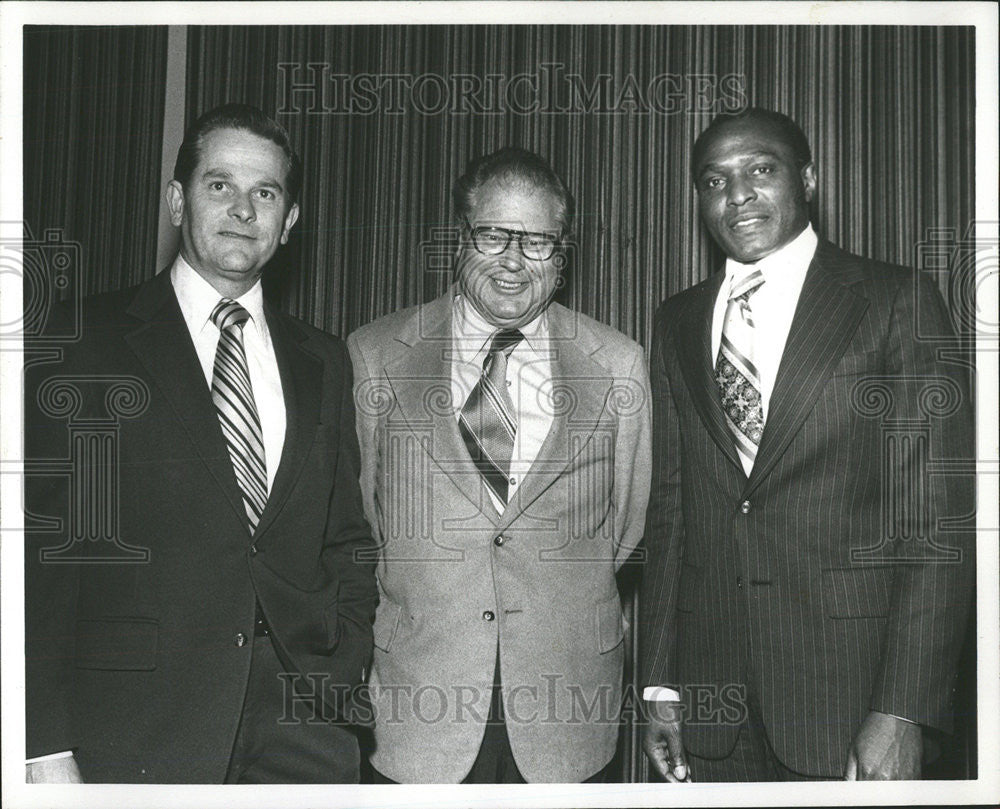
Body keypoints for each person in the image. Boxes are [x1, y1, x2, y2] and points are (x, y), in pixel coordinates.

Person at [24, 103, 376, 783]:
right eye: (220, 184)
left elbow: (346, 540)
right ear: (177, 200)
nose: (243, 208)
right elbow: (39, 559)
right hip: (132, 733)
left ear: (290, 219)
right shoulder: (79, 342)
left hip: (303, 734)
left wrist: (340, 662)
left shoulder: (324, 358)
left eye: (265, 192)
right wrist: (42, 744)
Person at [640, 107, 974, 782]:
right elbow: (672, 512)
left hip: (850, 699)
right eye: (714, 180)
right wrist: (660, 684)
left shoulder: (893, 300)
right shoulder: (675, 321)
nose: (738, 194)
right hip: (714, 706)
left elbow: (936, 525)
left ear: (809, 180)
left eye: (761, 169)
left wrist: (903, 711)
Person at [348, 146, 651, 783]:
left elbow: (624, 530)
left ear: (563, 255)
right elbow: (362, 522)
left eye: (538, 241)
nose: (514, 261)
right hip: (415, 705)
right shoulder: (374, 354)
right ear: (461, 239)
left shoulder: (619, 364)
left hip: (566, 705)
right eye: (494, 235)